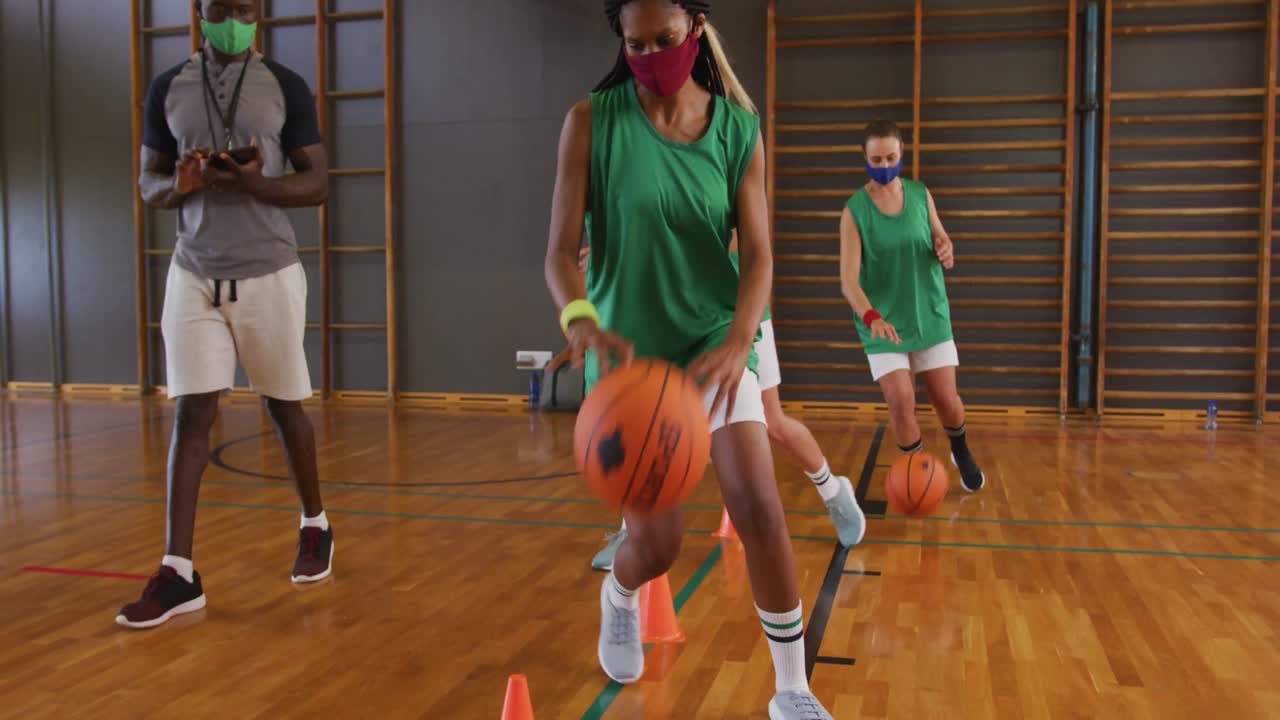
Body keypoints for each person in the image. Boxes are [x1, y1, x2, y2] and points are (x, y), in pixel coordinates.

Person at [544, 2, 833, 717]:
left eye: (664, 40)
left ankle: (792, 691)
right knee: (661, 546)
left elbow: (760, 254)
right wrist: (579, 317)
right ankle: (621, 591)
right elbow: (559, 250)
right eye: (635, 43)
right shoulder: (591, 123)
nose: (650, 56)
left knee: (760, 509)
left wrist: (744, 334)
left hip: (715, 345)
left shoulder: (738, 129)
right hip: (630, 364)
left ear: (696, 28)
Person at [117, 0, 333, 629]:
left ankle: (315, 524)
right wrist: (180, 185)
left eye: (244, 8)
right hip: (193, 272)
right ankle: (178, 572)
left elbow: (316, 183)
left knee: (283, 406)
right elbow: (148, 183)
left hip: (268, 270)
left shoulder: (284, 86)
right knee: (193, 412)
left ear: (256, 16)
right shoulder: (168, 88)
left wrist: (254, 183)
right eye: (221, 7)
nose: (232, 17)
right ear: (201, 12)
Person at [586, 234, 866, 573]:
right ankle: (632, 532)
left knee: (773, 423)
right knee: (649, 415)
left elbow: (735, 240)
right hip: (673, 306)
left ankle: (833, 490)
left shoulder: (727, 182)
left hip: (738, 311)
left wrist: (642, 248)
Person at [838, 119, 985, 492]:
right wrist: (871, 316)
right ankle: (917, 474)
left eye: (891, 157)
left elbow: (940, 237)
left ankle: (960, 448)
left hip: (928, 314)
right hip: (882, 324)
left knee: (947, 402)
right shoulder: (854, 212)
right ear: (864, 157)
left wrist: (945, 248)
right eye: (876, 159)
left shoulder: (920, 195)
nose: (884, 165)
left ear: (902, 154)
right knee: (902, 402)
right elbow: (849, 281)